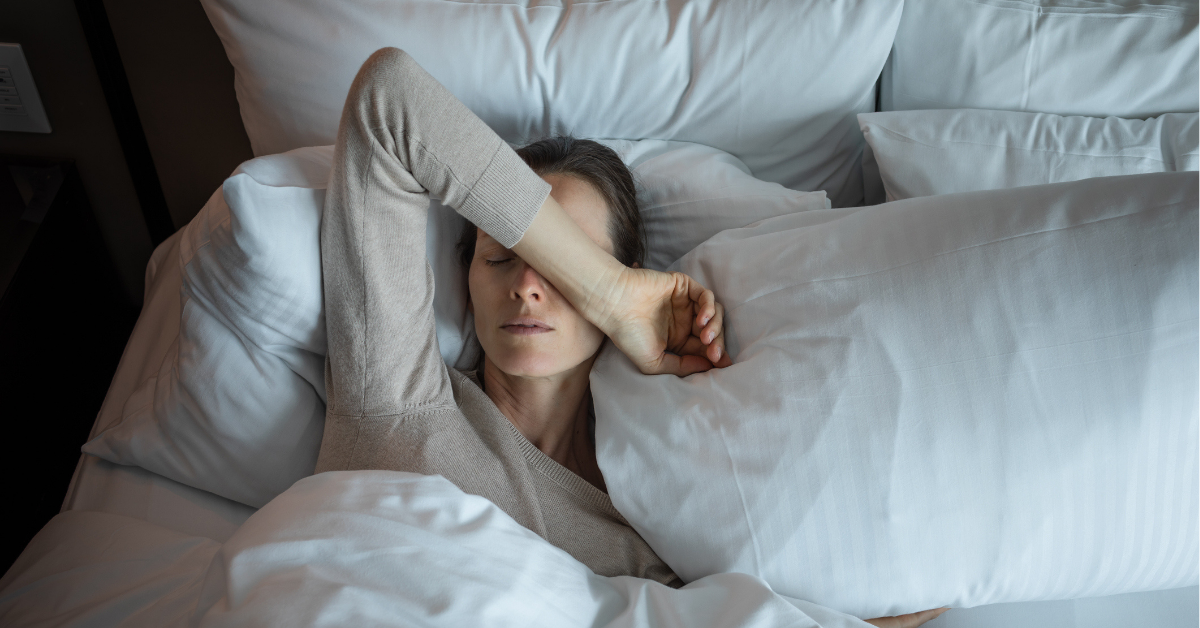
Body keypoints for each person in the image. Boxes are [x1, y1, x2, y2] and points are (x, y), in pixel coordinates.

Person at [316, 47, 946, 628]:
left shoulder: (656, 519)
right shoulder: (395, 402)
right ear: (466, 276)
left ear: (629, 265)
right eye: (499, 256)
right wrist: (610, 295)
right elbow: (387, 97)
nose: (529, 286)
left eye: (566, 266)